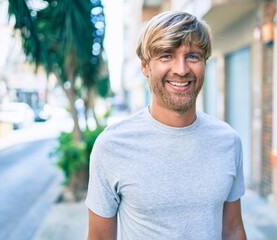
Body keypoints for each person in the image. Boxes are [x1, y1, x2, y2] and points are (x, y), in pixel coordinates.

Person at [86, 10, 246, 240]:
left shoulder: (228, 141)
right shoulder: (111, 146)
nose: (181, 70)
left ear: (204, 63)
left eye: (193, 56)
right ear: (145, 67)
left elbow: (232, 230)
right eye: (166, 56)